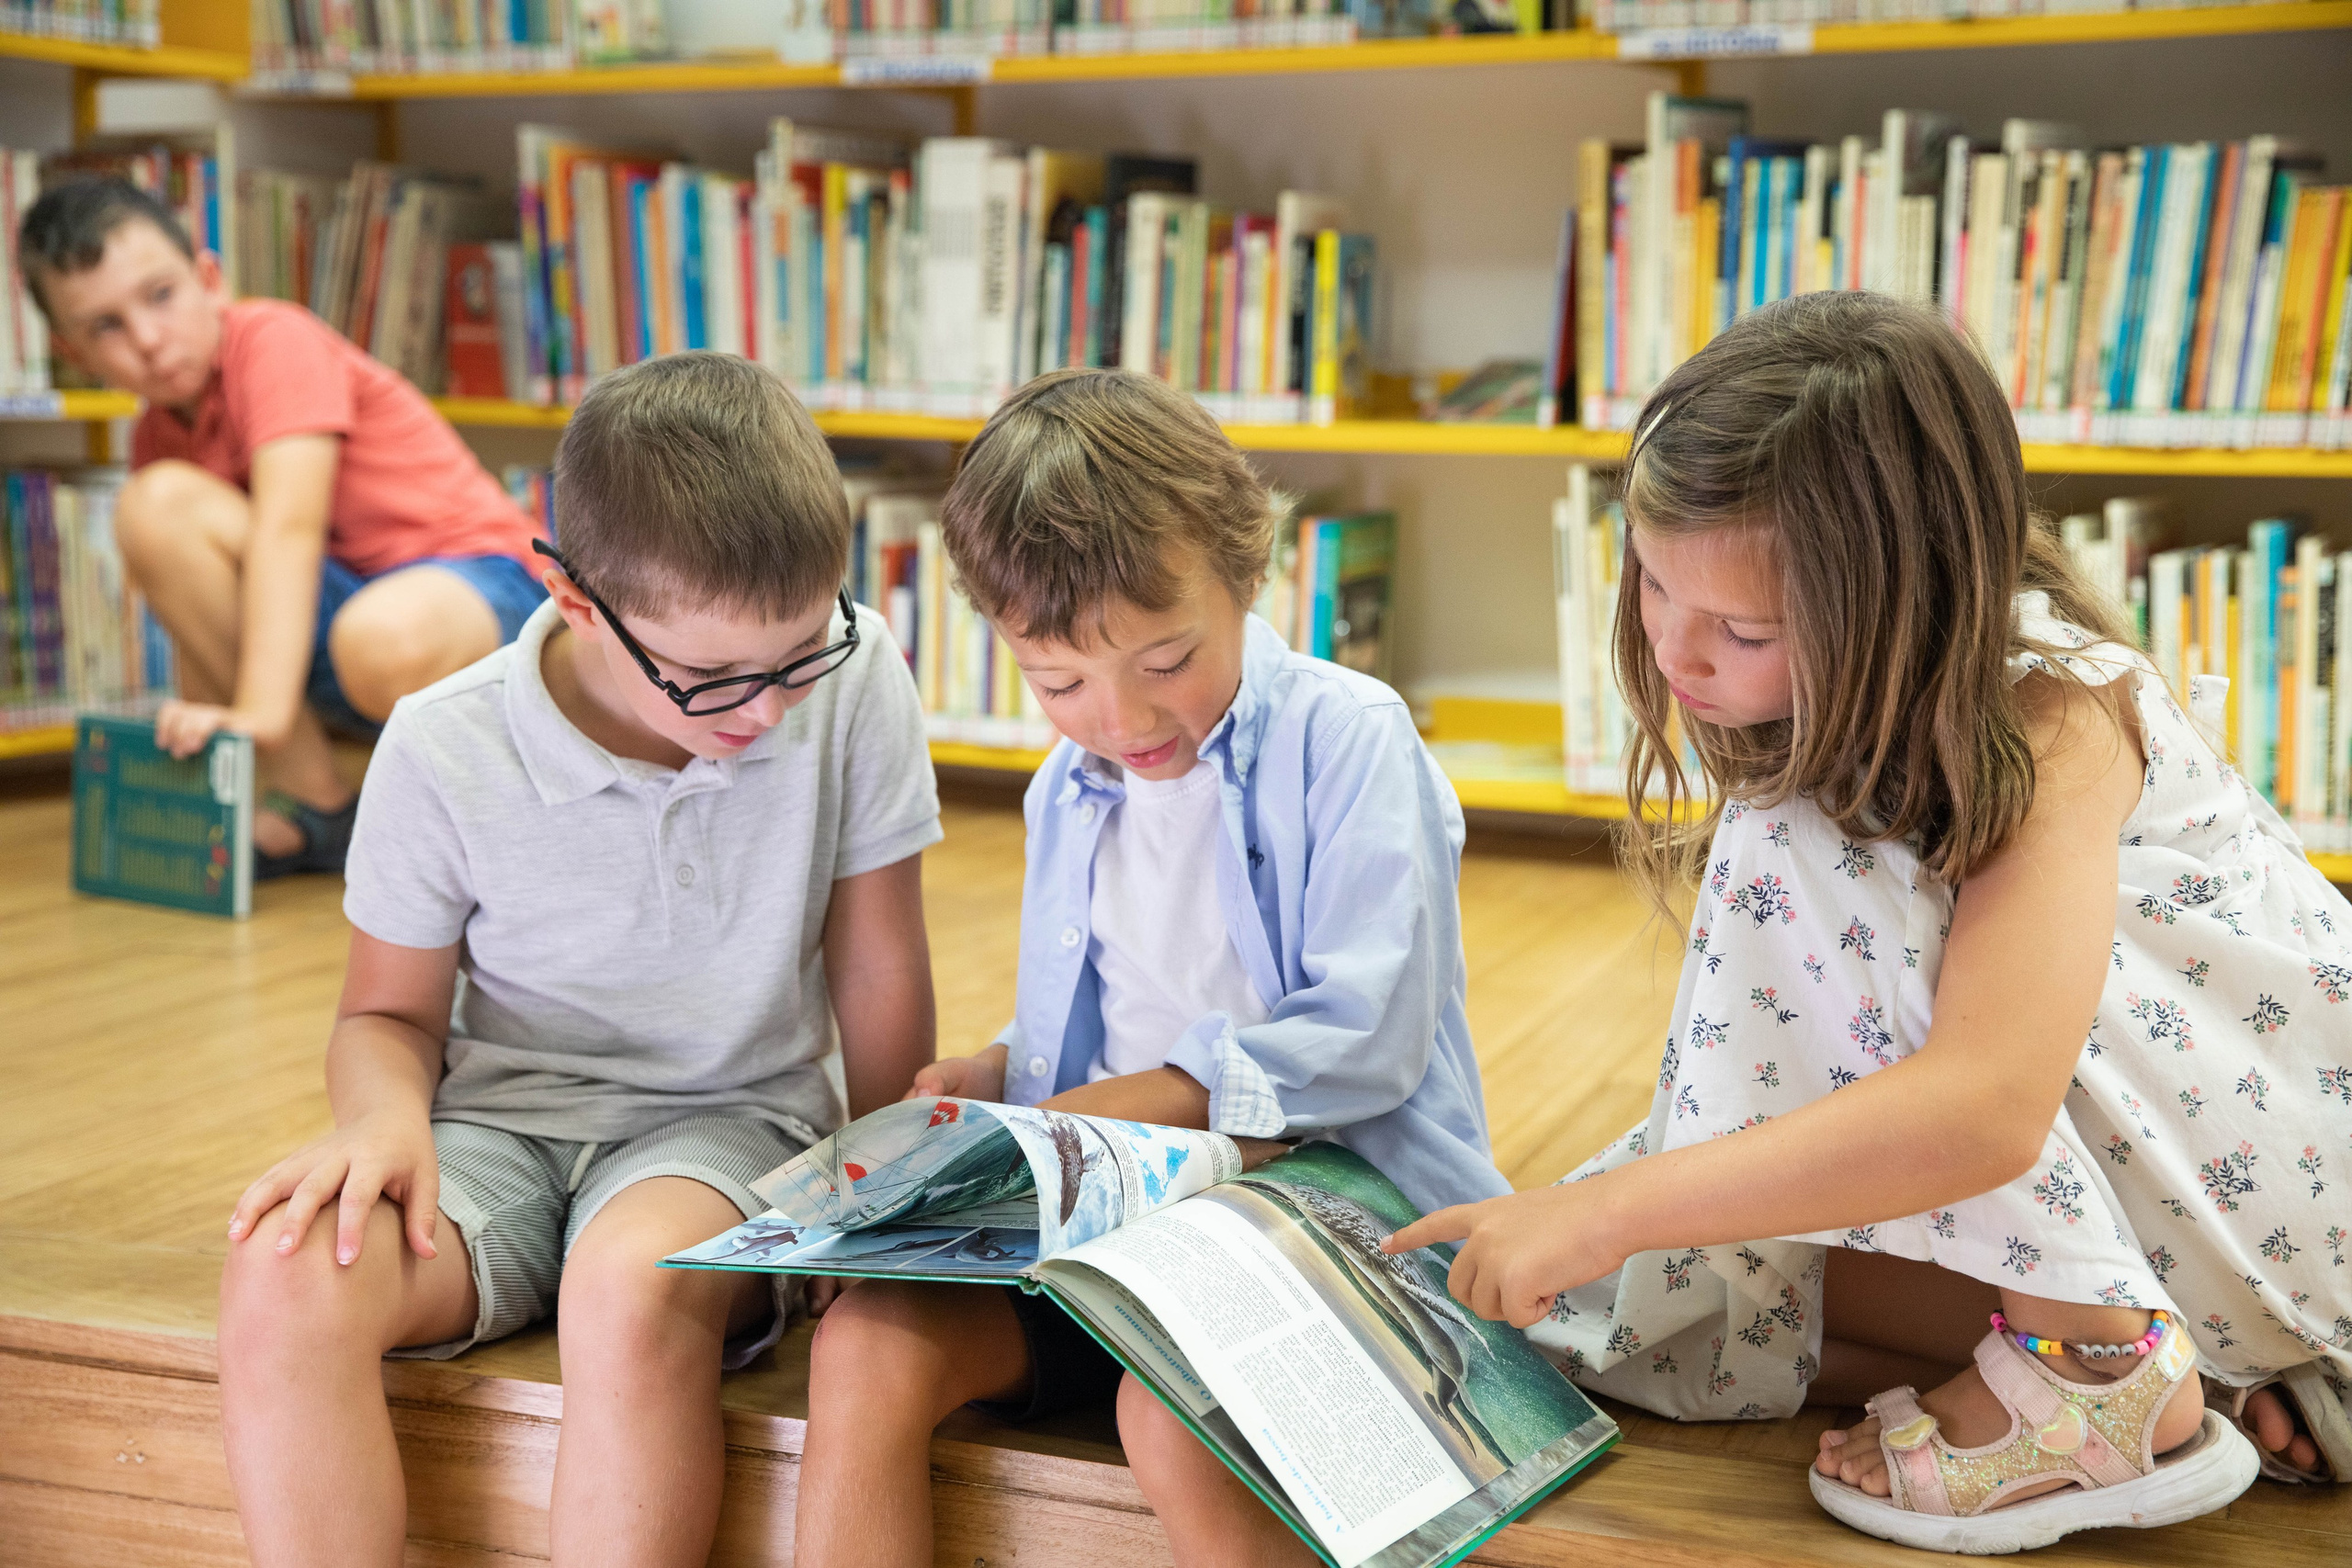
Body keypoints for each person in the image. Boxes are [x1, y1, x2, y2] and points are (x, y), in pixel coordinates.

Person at [1385, 291, 2352, 1553]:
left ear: (1902, 605)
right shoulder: (1873, 695)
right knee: (1678, 1307)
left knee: (1793, 873)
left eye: (1742, 628)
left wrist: (1606, 1207)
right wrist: (1616, 1222)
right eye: (1654, 581)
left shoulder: (2056, 715)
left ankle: (2099, 1365)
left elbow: (1985, 1106)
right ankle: (2206, 1372)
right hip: (2172, 1205)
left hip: (2282, 1179)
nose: (1675, 651)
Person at [214, 353, 942, 1568]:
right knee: (281, 1272)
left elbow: (878, 968)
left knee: (628, 1285)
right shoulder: (440, 742)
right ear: (573, 594)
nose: (767, 709)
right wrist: (382, 1121)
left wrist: (879, 1201)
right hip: (494, 1134)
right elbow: (385, 1014)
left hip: (730, 1127)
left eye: (797, 652)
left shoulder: (857, 677)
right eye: (709, 678)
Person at [792, 367, 1510, 1568]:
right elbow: (1105, 1016)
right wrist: (996, 1073)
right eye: (1060, 683)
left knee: (1174, 1411)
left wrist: (1120, 1108)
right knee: (862, 1344)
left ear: (1246, 572)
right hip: (1116, 1225)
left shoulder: (1350, 737)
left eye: (1167, 659)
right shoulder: (1065, 791)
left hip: (1333, 1219)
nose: (1122, 718)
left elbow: (1368, 1037)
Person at [21, 176, 548, 876]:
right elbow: (203, 620)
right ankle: (316, 801)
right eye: (106, 327)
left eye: (161, 295)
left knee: (378, 636)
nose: (147, 339)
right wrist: (213, 777)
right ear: (73, 353)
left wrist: (260, 714)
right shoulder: (156, 436)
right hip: (348, 625)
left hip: (486, 594)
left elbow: (289, 530)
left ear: (210, 279)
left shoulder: (273, 339)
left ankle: (506, 811)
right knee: (154, 506)